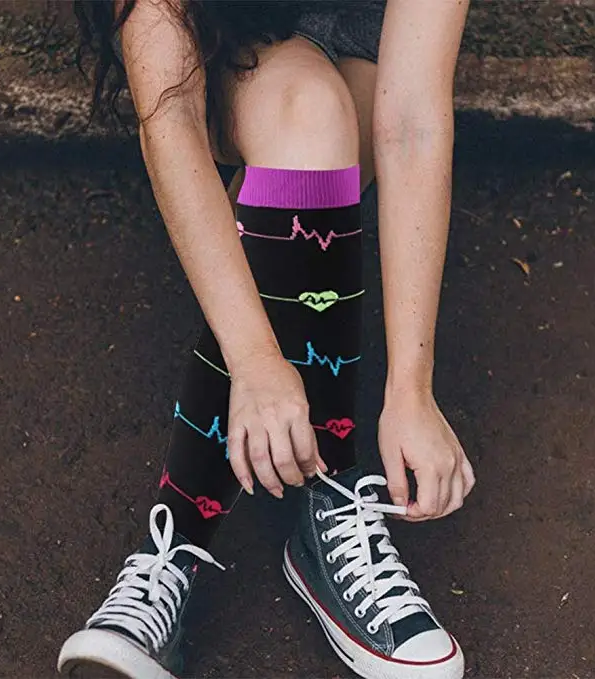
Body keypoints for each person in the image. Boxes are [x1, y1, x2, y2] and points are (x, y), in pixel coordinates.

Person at [58, 1, 476, 678]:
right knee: (307, 118)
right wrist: (254, 361)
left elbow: (411, 123)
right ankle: (181, 538)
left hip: (364, 34)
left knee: (304, 185)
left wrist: (411, 389)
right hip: (232, 31)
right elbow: (170, 112)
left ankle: (317, 512)